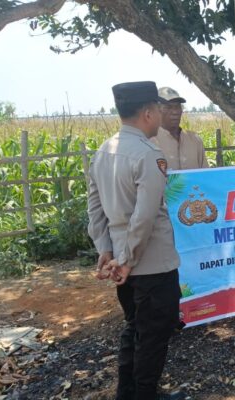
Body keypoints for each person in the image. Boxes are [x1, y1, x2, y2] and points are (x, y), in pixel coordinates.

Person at [87, 81, 185, 400]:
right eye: (158, 109)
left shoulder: (104, 151)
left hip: (120, 263)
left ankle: (126, 392)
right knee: (153, 336)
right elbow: (143, 217)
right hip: (151, 265)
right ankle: (145, 394)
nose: (160, 115)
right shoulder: (148, 154)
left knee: (134, 327)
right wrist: (128, 259)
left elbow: (95, 207)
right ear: (147, 113)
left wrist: (106, 249)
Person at [150, 86, 209, 170]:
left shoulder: (194, 140)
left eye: (177, 107)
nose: (175, 112)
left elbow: (205, 173)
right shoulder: (150, 142)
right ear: (158, 110)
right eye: (168, 107)